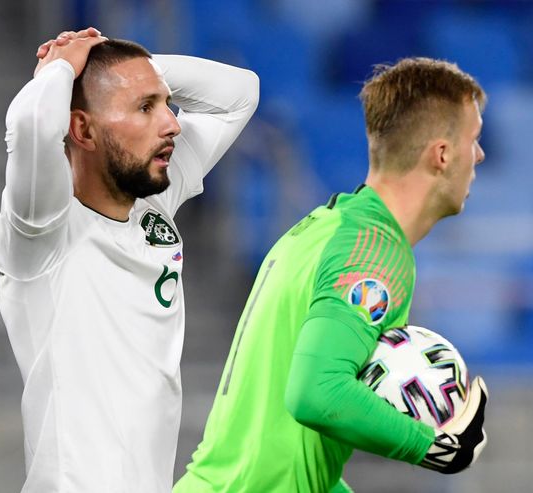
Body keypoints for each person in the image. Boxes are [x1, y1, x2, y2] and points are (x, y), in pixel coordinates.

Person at [174, 57, 488, 493]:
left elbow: (286, 442)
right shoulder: (374, 251)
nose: (480, 154)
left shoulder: (325, 227)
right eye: (473, 139)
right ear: (442, 154)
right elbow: (316, 393)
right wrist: (432, 445)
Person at [0, 27, 259, 492]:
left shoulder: (155, 202)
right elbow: (30, 125)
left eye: (166, 104)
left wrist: (113, 65)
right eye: (145, 108)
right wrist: (64, 67)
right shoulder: (41, 230)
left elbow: (240, 93)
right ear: (82, 129)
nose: (172, 123)